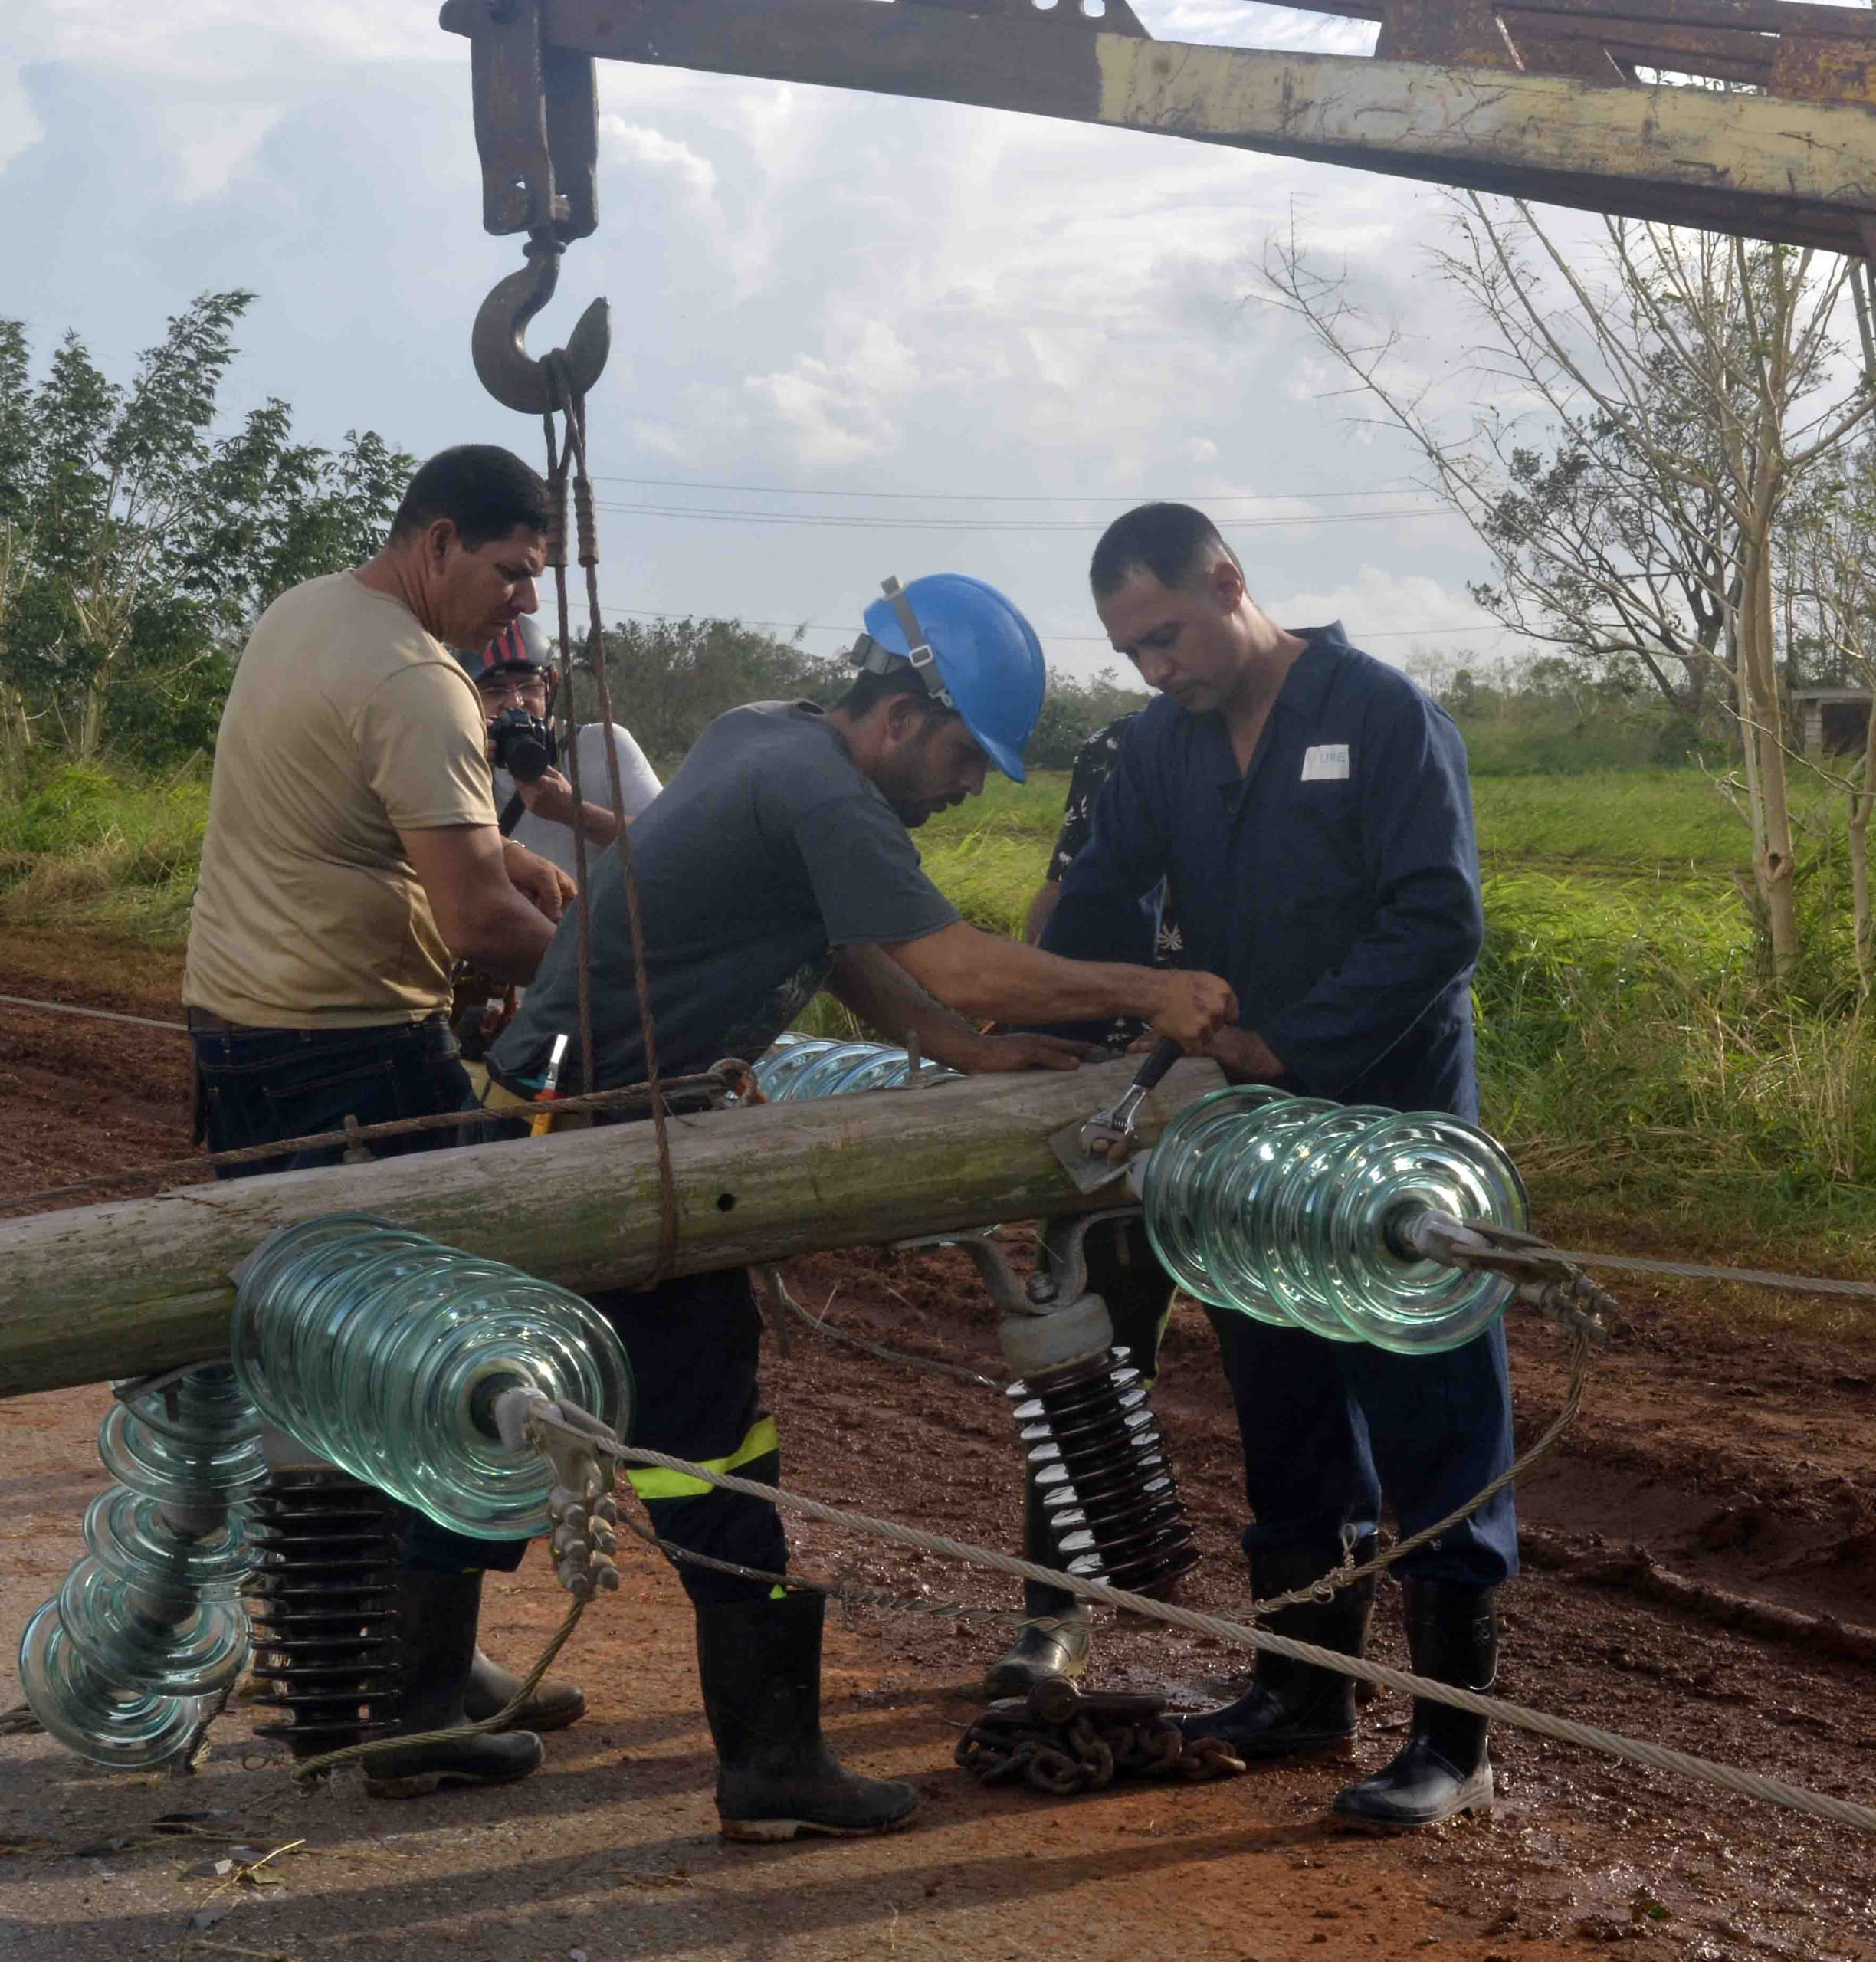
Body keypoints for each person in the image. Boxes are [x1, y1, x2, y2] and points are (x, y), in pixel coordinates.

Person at [459, 571, 1239, 1842]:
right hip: (602, 1139)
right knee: (702, 1432)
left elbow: (846, 948)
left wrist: (957, 1048)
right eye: (962, 757)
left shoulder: (759, 733)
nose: (967, 787)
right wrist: (1145, 993)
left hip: (555, 1108)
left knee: (514, 1392)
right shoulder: (826, 793)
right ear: (898, 716)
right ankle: (767, 1765)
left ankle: (422, 1685)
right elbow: (961, 962)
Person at [1031, 503, 1510, 1830]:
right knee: (1283, 1419)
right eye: (1129, 653)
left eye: (1166, 636)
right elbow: (1098, 903)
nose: (1154, 670)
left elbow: (1436, 923)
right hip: (1247, 1158)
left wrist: (1281, 1049)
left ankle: (1456, 1741)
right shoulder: (1156, 753)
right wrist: (1028, 1028)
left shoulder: (1380, 714)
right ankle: (1302, 1697)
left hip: (1389, 1148)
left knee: (1432, 1429)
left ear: (1229, 583)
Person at [181, 443, 585, 1790]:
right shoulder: (419, 678)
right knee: (446, 1349)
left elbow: (389, 832)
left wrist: (509, 849)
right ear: (440, 542)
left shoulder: (309, 611)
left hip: (242, 1030)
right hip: (345, 1046)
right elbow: (472, 920)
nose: (516, 611)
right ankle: (412, 1707)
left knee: (310, 1358)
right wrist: (620, 984)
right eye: (511, 573)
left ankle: (397, 1659)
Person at [455, 613, 662, 878]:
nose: (515, 703)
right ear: (468, 698)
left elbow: (664, 845)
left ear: (550, 686)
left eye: (528, 686)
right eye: (495, 691)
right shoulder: (461, 759)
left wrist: (572, 811)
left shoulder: (601, 745)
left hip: (597, 919)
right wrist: (469, 775)